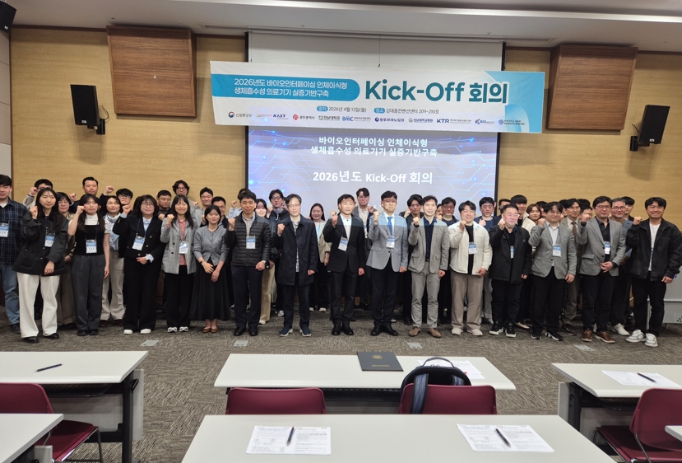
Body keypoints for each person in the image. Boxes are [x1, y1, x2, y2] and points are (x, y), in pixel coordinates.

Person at [626, 197, 682, 347]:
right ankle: (639, 329)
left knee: (657, 304)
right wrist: (634, 227)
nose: (655, 210)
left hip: (660, 273)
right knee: (639, 303)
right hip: (639, 271)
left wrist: (671, 272)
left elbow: (677, 253)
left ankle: (653, 332)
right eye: (652, 207)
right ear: (647, 209)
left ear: (663, 209)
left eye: (659, 207)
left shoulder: (671, 229)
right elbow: (630, 243)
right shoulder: (640, 226)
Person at [14, 188, 68, 343]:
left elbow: (61, 242)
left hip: (51, 263)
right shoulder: (29, 214)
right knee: (27, 299)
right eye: (45, 197)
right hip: (28, 262)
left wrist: (51, 260)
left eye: (52, 197)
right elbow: (26, 235)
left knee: (50, 298)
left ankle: (49, 329)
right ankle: (29, 332)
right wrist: (34, 219)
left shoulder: (60, 218)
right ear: (39, 199)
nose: (48, 200)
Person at [576, 196, 626, 343]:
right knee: (589, 301)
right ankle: (587, 328)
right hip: (591, 266)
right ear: (594, 209)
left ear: (610, 208)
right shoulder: (587, 223)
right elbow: (581, 242)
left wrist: (614, 263)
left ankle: (602, 329)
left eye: (606, 206)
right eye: (600, 206)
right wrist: (582, 225)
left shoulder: (617, 226)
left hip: (610, 268)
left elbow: (622, 246)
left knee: (606, 301)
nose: (604, 209)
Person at [113, 195, 165, 334]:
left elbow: (162, 244)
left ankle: (147, 323)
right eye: (145, 204)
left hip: (151, 262)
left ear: (155, 207)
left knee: (149, 292)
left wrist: (149, 257)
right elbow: (117, 230)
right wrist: (123, 214)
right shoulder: (131, 219)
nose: (148, 207)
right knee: (132, 292)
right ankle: (130, 323)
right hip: (132, 260)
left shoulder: (159, 222)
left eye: (151, 204)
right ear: (139, 206)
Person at [528, 202, 576, 341]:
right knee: (538, 302)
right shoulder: (538, 227)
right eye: (552, 212)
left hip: (560, 271)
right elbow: (532, 243)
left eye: (557, 212)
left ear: (561, 214)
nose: (555, 214)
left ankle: (552, 329)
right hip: (541, 270)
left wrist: (571, 271)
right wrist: (540, 227)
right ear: (545, 213)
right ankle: (537, 329)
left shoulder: (567, 231)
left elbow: (572, 253)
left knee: (556, 303)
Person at [226, 189, 271, 336]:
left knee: (255, 296)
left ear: (255, 204)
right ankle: (240, 325)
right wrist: (230, 229)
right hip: (237, 264)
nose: (247, 205)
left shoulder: (263, 222)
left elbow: (267, 244)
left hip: (255, 264)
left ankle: (253, 325)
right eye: (244, 202)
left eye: (250, 202)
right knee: (239, 296)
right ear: (241, 204)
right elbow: (228, 243)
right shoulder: (233, 221)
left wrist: (263, 261)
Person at [272, 194, 318, 336]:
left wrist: (312, 266)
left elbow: (313, 247)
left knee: (305, 300)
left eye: (296, 205)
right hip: (287, 268)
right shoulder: (282, 224)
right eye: (291, 205)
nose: (294, 208)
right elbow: (277, 246)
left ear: (300, 206)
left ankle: (304, 325)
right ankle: (287, 325)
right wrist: (278, 233)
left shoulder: (309, 224)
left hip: (304, 268)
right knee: (287, 300)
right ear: (287, 207)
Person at [407, 195, 450, 338]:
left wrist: (443, 267)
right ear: (422, 207)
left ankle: (432, 326)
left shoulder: (442, 225)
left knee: (433, 298)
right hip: (417, 265)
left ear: (436, 208)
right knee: (416, 297)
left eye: (432, 205)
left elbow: (445, 248)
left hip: (435, 266)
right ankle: (416, 325)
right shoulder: (416, 222)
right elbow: (412, 242)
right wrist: (415, 227)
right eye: (427, 205)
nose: (430, 208)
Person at [323, 194, 366, 336]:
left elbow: (361, 245)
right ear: (339, 205)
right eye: (344, 203)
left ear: (354, 205)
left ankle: (346, 322)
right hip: (337, 262)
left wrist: (361, 265)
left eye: (350, 203)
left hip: (353, 263)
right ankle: (336, 322)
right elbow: (327, 238)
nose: (347, 206)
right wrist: (333, 225)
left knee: (351, 294)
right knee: (335, 294)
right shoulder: (333, 220)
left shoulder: (358, 222)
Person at [368, 191, 409, 337]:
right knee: (377, 293)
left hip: (395, 261)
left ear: (396, 203)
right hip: (378, 260)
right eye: (387, 201)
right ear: (382, 203)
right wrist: (375, 221)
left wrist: (404, 262)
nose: (390, 204)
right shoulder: (375, 217)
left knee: (391, 294)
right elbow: (372, 237)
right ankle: (377, 323)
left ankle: (387, 323)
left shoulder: (401, 220)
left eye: (393, 201)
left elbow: (404, 244)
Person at [68, 194, 110, 336]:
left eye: (94, 203)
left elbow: (106, 244)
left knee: (96, 293)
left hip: (98, 258)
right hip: (80, 258)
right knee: (80, 293)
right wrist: (77, 213)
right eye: (87, 203)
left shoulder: (104, 221)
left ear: (98, 206)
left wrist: (107, 264)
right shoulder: (78, 219)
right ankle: (81, 325)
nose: (91, 205)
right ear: (82, 205)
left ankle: (94, 324)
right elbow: (70, 232)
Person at [488, 204, 532, 338]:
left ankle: (510, 324)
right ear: (503, 216)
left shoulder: (523, 232)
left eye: (515, 215)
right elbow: (493, 243)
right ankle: (497, 323)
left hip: (517, 272)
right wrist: (500, 230)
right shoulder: (495, 229)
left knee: (514, 300)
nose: (513, 217)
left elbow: (527, 254)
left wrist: (526, 270)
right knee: (498, 299)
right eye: (509, 214)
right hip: (499, 272)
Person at [448, 200, 492, 337]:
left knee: (475, 300)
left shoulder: (482, 230)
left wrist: (485, 266)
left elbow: (487, 250)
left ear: (475, 213)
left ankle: (473, 325)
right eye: (465, 211)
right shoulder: (453, 228)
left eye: (471, 211)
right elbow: (452, 244)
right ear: (460, 213)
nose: (468, 214)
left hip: (477, 270)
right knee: (457, 300)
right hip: (458, 269)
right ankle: (457, 325)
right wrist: (461, 230)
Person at [191, 205, 230, 333]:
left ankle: (215, 323)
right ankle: (207, 323)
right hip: (204, 266)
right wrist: (203, 263)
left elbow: (224, 251)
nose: (213, 217)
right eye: (211, 214)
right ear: (206, 216)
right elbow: (196, 249)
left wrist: (217, 270)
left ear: (220, 216)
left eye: (216, 214)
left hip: (219, 266)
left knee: (217, 295)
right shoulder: (199, 231)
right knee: (205, 295)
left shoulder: (224, 231)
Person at [161, 195, 197, 333]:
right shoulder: (168, 220)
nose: (181, 206)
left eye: (184, 204)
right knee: (172, 295)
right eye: (178, 204)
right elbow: (163, 239)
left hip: (188, 262)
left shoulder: (193, 222)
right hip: (172, 262)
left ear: (188, 206)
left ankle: (184, 322)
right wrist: (167, 224)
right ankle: (172, 323)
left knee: (186, 294)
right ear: (173, 206)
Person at [0, 175, 28, 334]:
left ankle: (14, 320)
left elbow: (25, 235)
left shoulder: (19, 208)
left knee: (11, 290)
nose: (2, 190)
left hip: (11, 256)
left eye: (5, 186)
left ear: (10, 189)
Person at [609, 197, 633, 336]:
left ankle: (617, 322)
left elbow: (636, 244)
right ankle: (599, 322)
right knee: (604, 295)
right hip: (607, 264)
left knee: (621, 295)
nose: (619, 210)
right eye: (616, 207)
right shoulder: (604, 223)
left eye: (622, 207)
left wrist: (625, 257)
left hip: (624, 265)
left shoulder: (632, 225)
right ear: (611, 209)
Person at [559, 198, 584, 334]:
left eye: (577, 207)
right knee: (557, 294)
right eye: (572, 208)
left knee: (573, 296)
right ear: (565, 210)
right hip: (560, 264)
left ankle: (568, 321)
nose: (575, 210)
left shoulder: (585, 224)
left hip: (578, 265)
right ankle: (556, 319)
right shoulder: (559, 223)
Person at [101, 196, 125, 327]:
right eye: (110, 203)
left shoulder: (125, 219)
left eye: (116, 203)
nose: (113, 205)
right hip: (102, 255)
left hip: (118, 254)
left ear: (120, 206)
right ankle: (103, 315)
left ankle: (118, 314)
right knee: (102, 286)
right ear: (105, 205)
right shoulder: (100, 219)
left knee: (117, 286)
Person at [400, 194, 424, 325]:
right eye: (412, 205)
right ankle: (407, 314)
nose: (415, 207)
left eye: (417, 205)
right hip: (408, 256)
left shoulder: (426, 218)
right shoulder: (404, 218)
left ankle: (421, 315)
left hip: (423, 256)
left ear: (421, 206)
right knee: (407, 288)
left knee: (422, 288)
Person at [55, 192, 76, 330]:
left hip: (70, 255)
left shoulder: (75, 217)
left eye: (66, 201)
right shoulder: (50, 218)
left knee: (68, 289)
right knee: (53, 289)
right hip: (52, 256)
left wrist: (71, 254)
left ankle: (69, 319)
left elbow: (79, 239)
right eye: (60, 201)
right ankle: (56, 320)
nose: (63, 204)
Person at [475, 196, 496, 324]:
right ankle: (477, 315)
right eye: (484, 207)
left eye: (490, 206)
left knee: (490, 290)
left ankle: (488, 314)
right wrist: (478, 226)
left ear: (494, 207)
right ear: (480, 208)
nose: (487, 209)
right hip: (477, 259)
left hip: (494, 261)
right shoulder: (475, 221)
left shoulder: (499, 221)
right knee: (477, 291)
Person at [352, 187, 374, 311]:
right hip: (355, 245)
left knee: (368, 274)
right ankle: (353, 301)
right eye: (361, 197)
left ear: (369, 198)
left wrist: (372, 215)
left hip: (370, 245)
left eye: (365, 197)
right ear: (357, 198)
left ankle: (365, 301)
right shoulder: (352, 211)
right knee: (355, 272)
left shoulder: (374, 212)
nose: (363, 199)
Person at [255, 198, 276, 324]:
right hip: (253, 261)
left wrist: (271, 258)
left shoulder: (271, 223)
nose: (261, 210)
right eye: (258, 207)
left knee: (266, 290)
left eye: (263, 207)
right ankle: (254, 314)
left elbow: (274, 243)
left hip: (268, 261)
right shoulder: (251, 223)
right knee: (254, 290)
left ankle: (263, 316)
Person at [437, 196, 457, 324]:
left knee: (452, 291)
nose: (448, 209)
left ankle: (450, 315)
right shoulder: (437, 222)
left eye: (451, 207)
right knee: (439, 290)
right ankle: (438, 315)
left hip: (454, 261)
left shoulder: (459, 223)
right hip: (439, 261)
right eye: (446, 207)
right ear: (442, 208)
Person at [309, 203, 330, 313]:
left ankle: (323, 304)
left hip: (322, 255)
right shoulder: (307, 224)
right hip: (309, 256)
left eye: (318, 211)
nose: (316, 213)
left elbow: (328, 241)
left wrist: (327, 255)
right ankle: (311, 304)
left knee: (323, 281)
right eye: (314, 211)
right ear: (311, 212)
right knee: (310, 282)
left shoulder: (326, 224)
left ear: (322, 213)